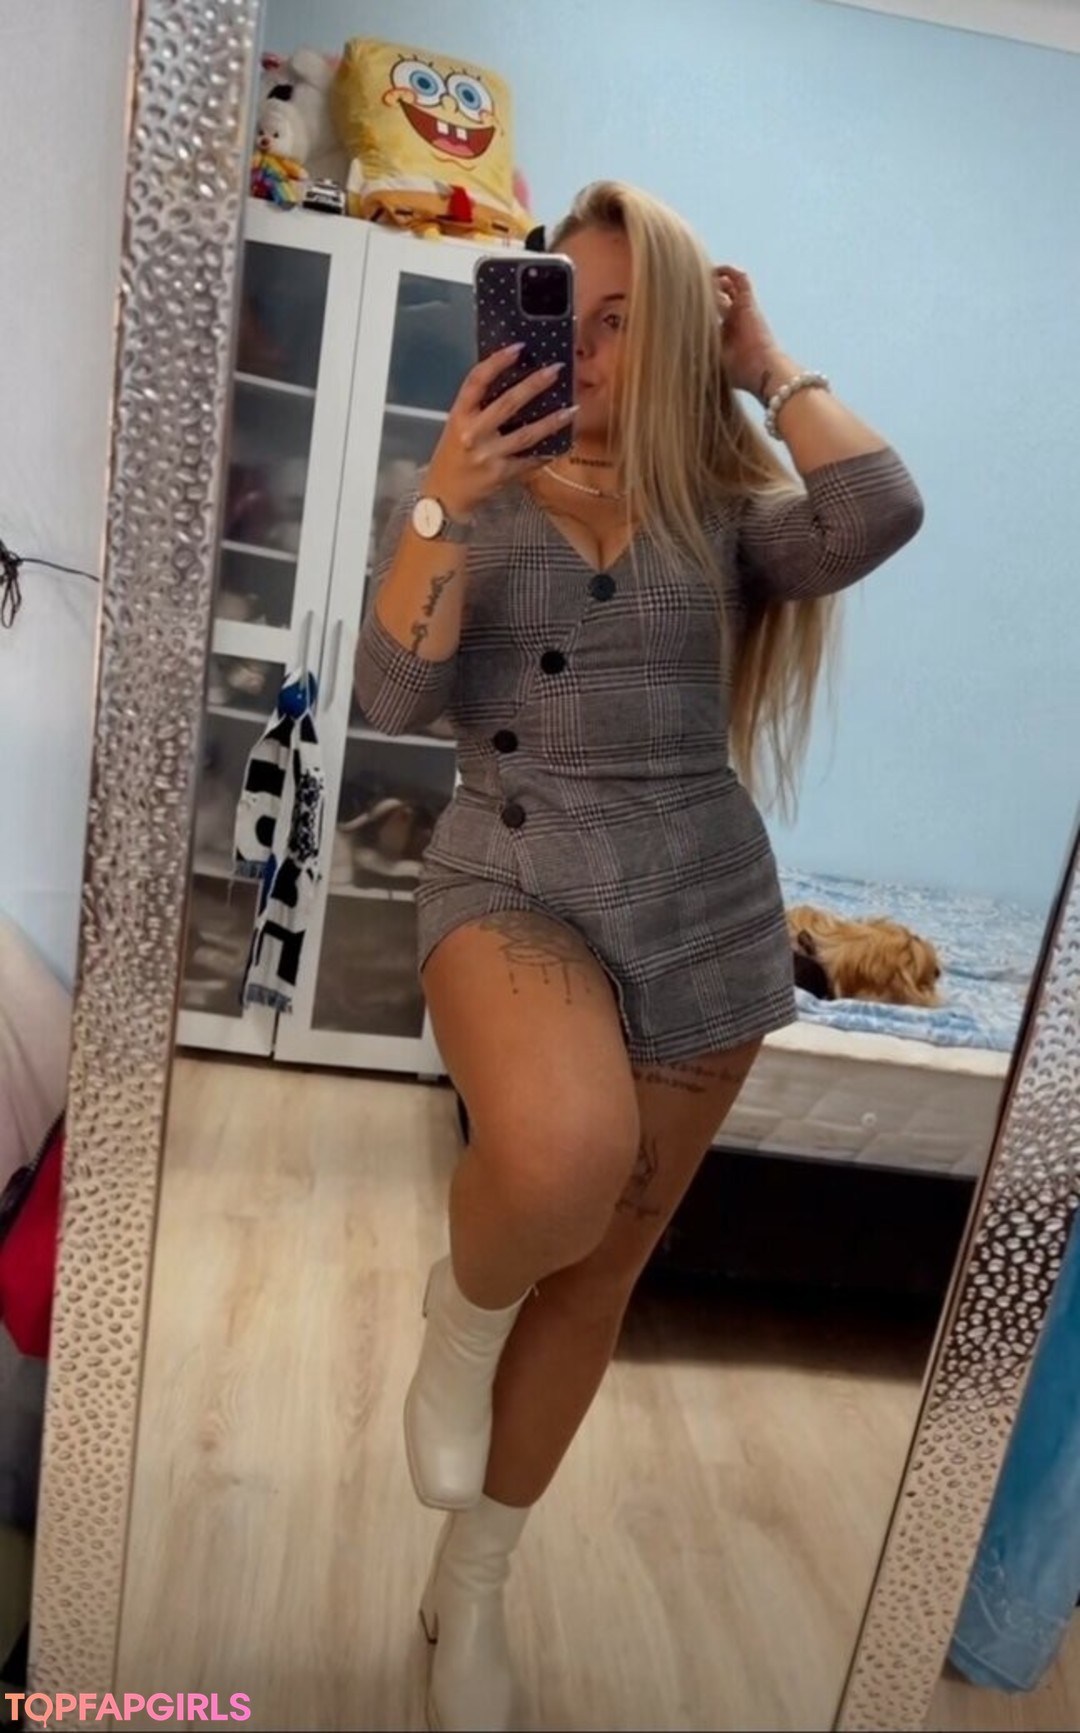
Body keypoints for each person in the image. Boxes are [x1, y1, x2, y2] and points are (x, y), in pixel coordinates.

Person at [355, 180, 924, 1731]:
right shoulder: (472, 496)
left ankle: (473, 1588)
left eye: (626, 324)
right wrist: (443, 494)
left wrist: (763, 361)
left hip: (706, 918)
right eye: (568, 318)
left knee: (601, 1273)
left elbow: (880, 509)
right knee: (559, 1154)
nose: (591, 355)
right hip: (512, 879)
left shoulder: (719, 513)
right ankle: (461, 1314)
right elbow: (394, 700)